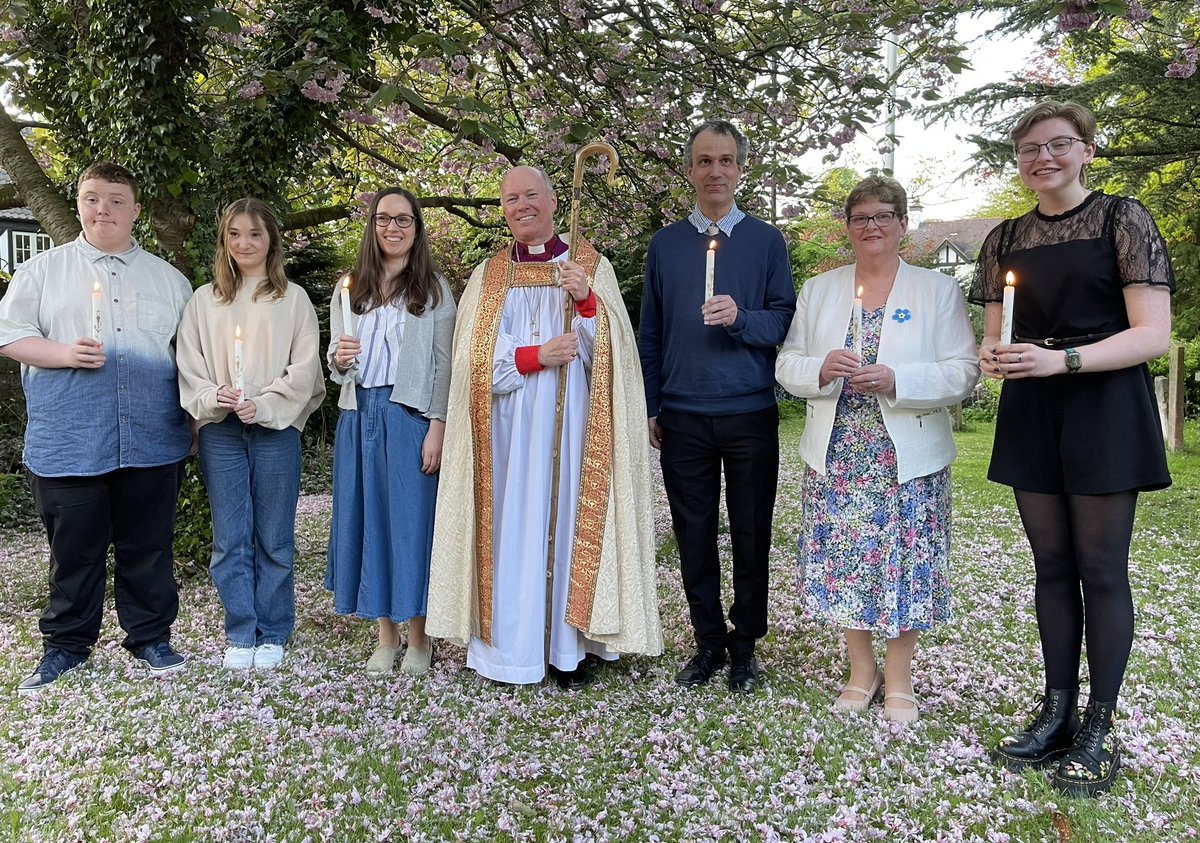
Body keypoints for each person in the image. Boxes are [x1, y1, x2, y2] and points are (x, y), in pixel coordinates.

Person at [971, 100, 1173, 797]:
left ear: (1088, 150)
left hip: (1104, 405)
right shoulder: (1002, 239)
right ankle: (1056, 709)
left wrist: (1067, 361)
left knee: (1101, 568)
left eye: (1059, 144)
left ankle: (1099, 725)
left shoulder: (1125, 221)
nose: (1043, 157)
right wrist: (993, 356)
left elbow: (1152, 334)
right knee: (1051, 565)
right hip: (1033, 410)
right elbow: (995, 332)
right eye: (1029, 148)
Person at [426, 165, 661, 689]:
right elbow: (471, 361)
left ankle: (568, 650)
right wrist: (535, 355)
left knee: (570, 521)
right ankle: (513, 650)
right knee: (514, 527)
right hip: (505, 436)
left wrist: (584, 302)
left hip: (575, 427)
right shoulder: (488, 276)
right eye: (511, 199)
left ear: (554, 202)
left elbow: (617, 358)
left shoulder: (591, 266)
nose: (521, 205)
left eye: (531, 194)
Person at [775, 175, 978, 722]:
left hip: (906, 455)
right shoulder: (820, 290)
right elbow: (786, 363)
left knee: (906, 563)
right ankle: (861, 672)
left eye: (882, 216)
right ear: (847, 227)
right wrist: (819, 368)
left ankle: (900, 679)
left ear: (902, 225)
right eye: (860, 218)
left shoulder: (936, 291)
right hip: (840, 453)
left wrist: (898, 380)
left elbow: (964, 371)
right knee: (848, 563)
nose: (871, 227)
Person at [0, 161, 193, 693]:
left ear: (135, 209)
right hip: (68, 439)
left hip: (152, 438)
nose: (101, 208)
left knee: (149, 546)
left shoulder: (170, 281)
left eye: (114, 199)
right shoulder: (40, 273)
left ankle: (151, 637)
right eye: (91, 198)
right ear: (79, 204)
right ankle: (65, 645)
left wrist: (195, 422)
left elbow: (191, 358)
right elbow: (8, 334)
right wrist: (61, 352)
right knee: (74, 550)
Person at [638, 120, 796, 694]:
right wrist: (653, 403)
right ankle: (707, 641)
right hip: (682, 412)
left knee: (752, 532)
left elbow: (785, 319)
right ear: (689, 170)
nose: (715, 171)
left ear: (740, 168)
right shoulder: (665, 246)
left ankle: (745, 644)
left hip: (749, 410)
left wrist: (743, 319)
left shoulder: (766, 242)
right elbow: (649, 331)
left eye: (725, 160)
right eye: (704, 161)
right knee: (693, 531)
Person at [176, 198, 325, 671]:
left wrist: (263, 404)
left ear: (271, 241)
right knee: (231, 537)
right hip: (222, 431)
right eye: (235, 233)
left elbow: (304, 369)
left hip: (274, 429)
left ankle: (274, 630)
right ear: (224, 239)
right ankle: (241, 630)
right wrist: (213, 393)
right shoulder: (205, 300)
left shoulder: (292, 299)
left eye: (255, 234)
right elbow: (189, 361)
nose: (245, 243)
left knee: (275, 538)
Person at [324, 187, 456, 677]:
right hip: (359, 415)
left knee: (411, 525)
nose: (393, 228)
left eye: (404, 220)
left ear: (417, 229)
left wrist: (437, 427)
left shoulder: (435, 290)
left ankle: (419, 638)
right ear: (372, 225)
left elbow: (446, 368)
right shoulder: (351, 287)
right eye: (384, 219)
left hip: (410, 416)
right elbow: (339, 365)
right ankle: (385, 635)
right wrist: (338, 362)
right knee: (370, 520)